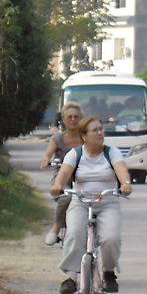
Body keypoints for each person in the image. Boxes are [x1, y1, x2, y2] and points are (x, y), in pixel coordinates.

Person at [51, 116, 133, 294]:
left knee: (111, 238)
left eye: (101, 129)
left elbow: (121, 170)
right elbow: (64, 172)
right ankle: (70, 277)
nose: (100, 133)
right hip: (81, 202)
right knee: (74, 233)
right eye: (95, 130)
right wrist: (59, 185)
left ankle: (109, 272)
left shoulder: (111, 153)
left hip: (107, 203)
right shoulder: (76, 154)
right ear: (84, 136)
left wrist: (125, 184)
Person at [40, 102, 83, 245]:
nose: (73, 120)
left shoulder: (86, 138)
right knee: (67, 197)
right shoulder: (57, 139)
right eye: (69, 117)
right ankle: (56, 227)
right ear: (63, 119)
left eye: (76, 117)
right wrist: (46, 159)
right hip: (62, 178)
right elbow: (48, 154)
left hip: (83, 176)